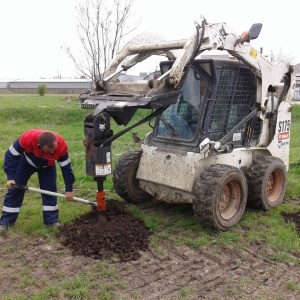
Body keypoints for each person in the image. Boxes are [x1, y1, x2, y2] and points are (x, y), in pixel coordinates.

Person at [0, 129, 75, 234]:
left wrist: (69, 189)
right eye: (49, 151)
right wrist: (11, 177)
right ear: (39, 146)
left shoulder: (61, 145)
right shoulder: (28, 138)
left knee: (50, 191)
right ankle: (6, 222)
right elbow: (10, 155)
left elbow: (66, 168)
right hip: (26, 163)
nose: (53, 152)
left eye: (54, 149)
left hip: (47, 166)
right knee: (15, 190)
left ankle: (51, 221)